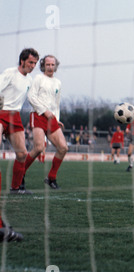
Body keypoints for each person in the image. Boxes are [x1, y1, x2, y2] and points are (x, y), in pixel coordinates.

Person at [25, 54, 68, 190]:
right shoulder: (38, 78)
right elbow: (31, 97)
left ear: (56, 66)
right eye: (47, 64)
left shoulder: (58, 83)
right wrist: (44, 111)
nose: (50, 67)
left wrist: (57, 119)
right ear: (43, 65)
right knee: (38, 148)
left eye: (52, 65)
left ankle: (51, 178)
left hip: (51, 118)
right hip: (38, 115)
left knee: (63, 148)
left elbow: (56, 103)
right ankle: (21, 173)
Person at [0, 48, 39, 195]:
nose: (33, 66)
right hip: (1, 113)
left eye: (35, 63)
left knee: (22, 154)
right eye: (30, 62)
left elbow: (33, 100)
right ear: (22, 61)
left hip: (15, 116)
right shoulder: (9, 73)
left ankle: (15, 189)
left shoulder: (29, 80)